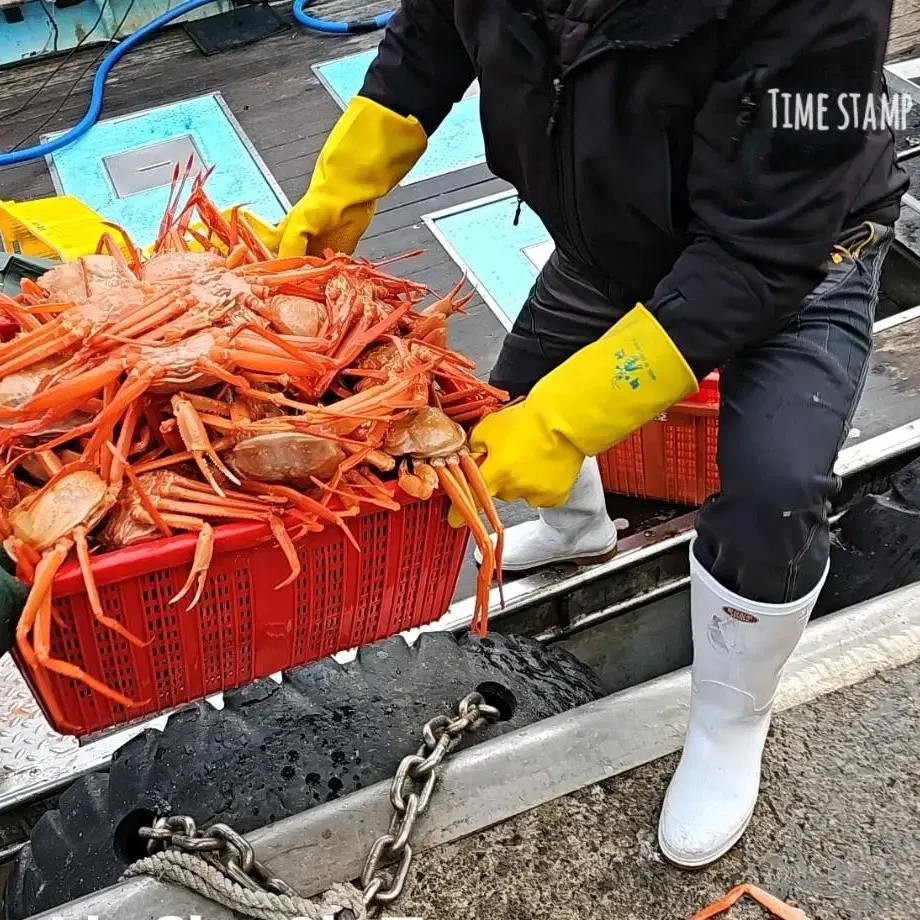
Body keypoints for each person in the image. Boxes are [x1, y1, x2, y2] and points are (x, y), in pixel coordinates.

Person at [275, 0, 906, 868]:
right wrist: (337, 191)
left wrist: (570, 422)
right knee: (497, 404)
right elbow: (431, 32)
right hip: (614, 237)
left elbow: (758, 254)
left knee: (774, 488)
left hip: (802, 251)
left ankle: (730, 720)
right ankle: (579, 528)